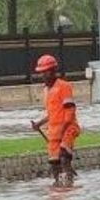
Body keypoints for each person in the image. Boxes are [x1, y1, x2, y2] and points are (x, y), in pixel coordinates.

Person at [28, 54, 79, 188]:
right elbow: (52, 113)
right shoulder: (46, 90)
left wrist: (63, 130)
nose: (43, 75)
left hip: (68, 129)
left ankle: (69, 184)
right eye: (41, 72)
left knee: (64, 157)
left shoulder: (64, 86)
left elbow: (69, 111)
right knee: (54, 163)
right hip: (54, 132)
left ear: (53, 71)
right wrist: (39, 123)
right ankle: (58, 186)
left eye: (46, 72)